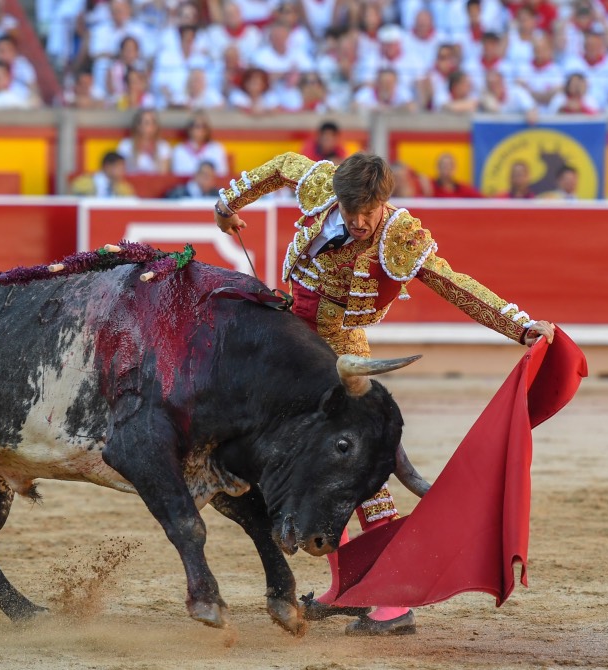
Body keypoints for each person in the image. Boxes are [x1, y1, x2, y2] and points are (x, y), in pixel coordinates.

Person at [213, 151, 555, 636]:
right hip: (291, 347)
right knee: (313, 470)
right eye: (350, 211)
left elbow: (453, 284)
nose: (357, 222)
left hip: (340, 358)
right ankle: (347, 586)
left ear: (382, 203)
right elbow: (280, 166)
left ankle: (392, 601)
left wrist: (519, 326)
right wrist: (227, 205)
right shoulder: (321, 184)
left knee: (361, 471)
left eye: (367, 213)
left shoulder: (399, 236)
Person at [171, 111, 228, 177]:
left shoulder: (216, 148)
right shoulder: (179, 150)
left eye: (204, 126)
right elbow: (177, 175)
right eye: (197, 126)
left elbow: (222, 174)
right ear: (189, 129)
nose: (201, 130)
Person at [116, 109, 171, 174]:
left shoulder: (163, 146)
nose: (151, 126)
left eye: (154, 122)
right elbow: (120, 172)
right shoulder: (126, 145)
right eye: (147, 123)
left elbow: (163, 174)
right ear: (138, 126)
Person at [69, 150, 136, 197]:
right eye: (119, 168)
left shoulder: (124, 189)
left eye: (123, 169)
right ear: (107, 167)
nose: (122, 172)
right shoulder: (84, 183)